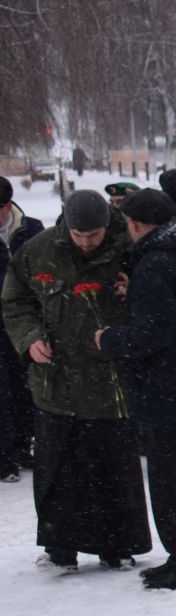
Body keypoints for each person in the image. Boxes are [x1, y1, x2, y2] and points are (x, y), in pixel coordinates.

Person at [3, 190, 151, 570]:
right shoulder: (39, 251)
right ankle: (60, 546)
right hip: (57, 382)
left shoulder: (129, 249)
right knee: (58, 472)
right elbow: (16, 300)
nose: (87, 242)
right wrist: (29, 338)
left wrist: (134, 293)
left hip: (110, 382)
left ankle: (117, 545)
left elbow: (157, 297)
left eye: (95, 234)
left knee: (113, 468)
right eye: (79, 234)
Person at [99, 189, 176, 589]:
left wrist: (108, 339)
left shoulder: (154, 264)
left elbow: (152, 334)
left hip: (166, 390)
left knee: (171, 485)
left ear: (134, 225)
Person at [0, 175, 46, 480]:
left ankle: (24, 444)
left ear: (6, 206)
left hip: (26, 321)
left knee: (25, 386)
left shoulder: (31, 230)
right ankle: (5, 455)